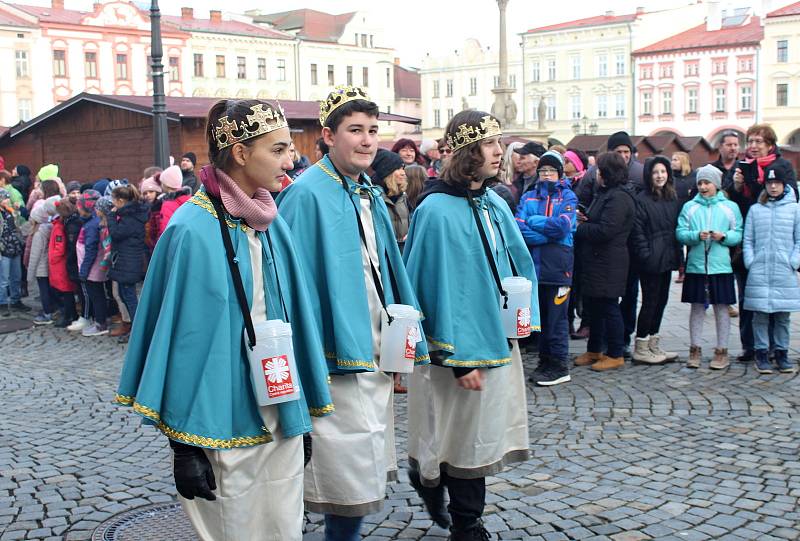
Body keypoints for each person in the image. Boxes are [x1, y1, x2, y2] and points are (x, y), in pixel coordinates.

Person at [116, 98, 333, 541]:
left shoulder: (270, 222)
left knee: (284, 527)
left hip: (279, 408)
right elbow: (178, 342)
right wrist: (184, 446)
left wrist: (300, 416)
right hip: (219, 422)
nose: (290, 160)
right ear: (239, 152)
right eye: (277, 149)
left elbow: (293, 323)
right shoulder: (190, 230)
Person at [277, 86, 428, 540]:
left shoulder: (365, 190)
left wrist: (403, 341)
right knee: (341, 468)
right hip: (334, 360)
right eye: (355, 131)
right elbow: (293, 283)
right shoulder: (306, 195)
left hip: (375, 352)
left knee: (362, 462)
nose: (367, 141)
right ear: (328, 136)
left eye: (373, 131)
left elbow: (384, 270)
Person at [403, 110, 538, 540]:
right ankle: (465, 520)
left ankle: (450, 499)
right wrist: (454, 357)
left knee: (479, 435)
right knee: (459, 436)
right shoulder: (436, 212)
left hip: (495, 339)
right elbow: (428, 284)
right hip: (457, 350)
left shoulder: (494, 202)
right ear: (466, 152)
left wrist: (521, 317)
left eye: (500, 143)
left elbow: (516, 263)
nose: (500, 152)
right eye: (489, 144)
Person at [728, 124, 798, 363]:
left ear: (770, 145)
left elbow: (789, 200)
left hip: (776, 244)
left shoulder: (782, 167)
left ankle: (774, 348)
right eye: (751, 141)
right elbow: (732, 202)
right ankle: (752, 347)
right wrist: (736, 185)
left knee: (776, 302)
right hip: (748, 243)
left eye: (759, 142)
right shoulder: (742, 166)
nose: (754, 146)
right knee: (748, 297)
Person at [516, 150, 576, 386]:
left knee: (557, 320)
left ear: (559, 173)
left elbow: (563, 227)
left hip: (559, 267)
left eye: (551, 171)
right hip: (536, 267)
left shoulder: (568, 197)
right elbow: (519, 228)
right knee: (540, 319)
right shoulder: (529, 196)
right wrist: (544, 234)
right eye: (543, 171)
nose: (547, 175)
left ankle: (559, 365)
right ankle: (545, 361)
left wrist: (535, 222)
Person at [573, 152, 636, 371]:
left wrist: (581, 227)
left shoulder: (619, 197)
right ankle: (594, 350)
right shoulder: (605, 193)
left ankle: (615, 353)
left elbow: (606, 230)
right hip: (597, 260)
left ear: (607, 172)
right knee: (594, 307)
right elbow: (599, 221)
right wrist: (586, 218)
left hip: (609, 261)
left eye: (600, 170)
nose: (597, 173)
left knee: (609, 307)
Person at [677, 165, 743, 369]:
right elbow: (680, 232)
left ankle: (721, 350)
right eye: (700, 183)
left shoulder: (730, 207)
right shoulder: (690, 207)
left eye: (707, 183)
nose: (703, 187)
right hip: (696, 266)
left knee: (721, 308)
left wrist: (724, 237)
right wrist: (695, 236)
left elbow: (738, 233)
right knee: (697, 307)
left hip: (720, 266)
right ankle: (694, 349)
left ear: (716, 184)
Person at [743, 169, 800, 374]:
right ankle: (761, 352)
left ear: (784, 185)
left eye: (777, 183)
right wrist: (751, 261)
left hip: (784, 269)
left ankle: (782, 352)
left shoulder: (795, 210)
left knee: (782, 316)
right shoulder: (756, 210)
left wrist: (793, 261)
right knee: (760, 315)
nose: (773, 187)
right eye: (769, 183)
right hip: (760, 269)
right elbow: (748, 239)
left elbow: (799, 240)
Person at [629, 156, 681, 364]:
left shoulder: (671, 197)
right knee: (650, 302)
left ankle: (653, 342)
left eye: (663, 172)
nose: (660, 176)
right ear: (649, 175)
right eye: (655, 172)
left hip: (666, 257)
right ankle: (641, 345)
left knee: (661, 301)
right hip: (650, 260)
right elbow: (637, 232)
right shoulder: (642, 199)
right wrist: (646, 256)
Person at [106, 184, 148, 341]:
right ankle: (135, 328)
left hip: (129, 261)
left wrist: (111, 217)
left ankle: (137, 331)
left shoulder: (130, 217)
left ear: (121, 201)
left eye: (114, 201)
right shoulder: (132, 214)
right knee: (125, 294)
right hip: (128, 260)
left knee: (129, 296)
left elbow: (116, 234)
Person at [75, 190, 109, 336]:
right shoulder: (93, 222)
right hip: (94, 267)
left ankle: (100, 323)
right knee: (98, 294)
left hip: (93, 269)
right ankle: (100, 321)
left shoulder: (91, 226)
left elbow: (90, 250)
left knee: (96, 295)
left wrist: (84, 271)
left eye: (79, 207)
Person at [49, 198, 80, 327]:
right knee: (66, 291)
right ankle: (69, 314)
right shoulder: (62, 225)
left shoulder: (59, 228)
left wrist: (52, 258)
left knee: (66, 292)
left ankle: (69, 315)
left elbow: (59, 247)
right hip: (61, 263)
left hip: (59, 265)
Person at [26, 201, 57, 324]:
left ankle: (47, 313)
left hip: (41, 268)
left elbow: (35, 256)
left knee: (43, 290)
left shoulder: (38, 234)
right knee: (50, 290)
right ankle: (53, 309)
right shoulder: (50, 228)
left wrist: (30, 275)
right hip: (50, 265)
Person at [0, 188, 26, 316]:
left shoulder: (9, 212)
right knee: (3, 279)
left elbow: (17, 225)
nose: (7, 200)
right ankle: (3, 303)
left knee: (16, 276)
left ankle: (16, 300)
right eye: (5, 198)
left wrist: (16, 211)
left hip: (14, 247)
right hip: (4, 249)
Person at [158, 165, 192, 239]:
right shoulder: (190, 200)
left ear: (166, 184)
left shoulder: (167, 204)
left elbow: (165, 229)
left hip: (172, 243)